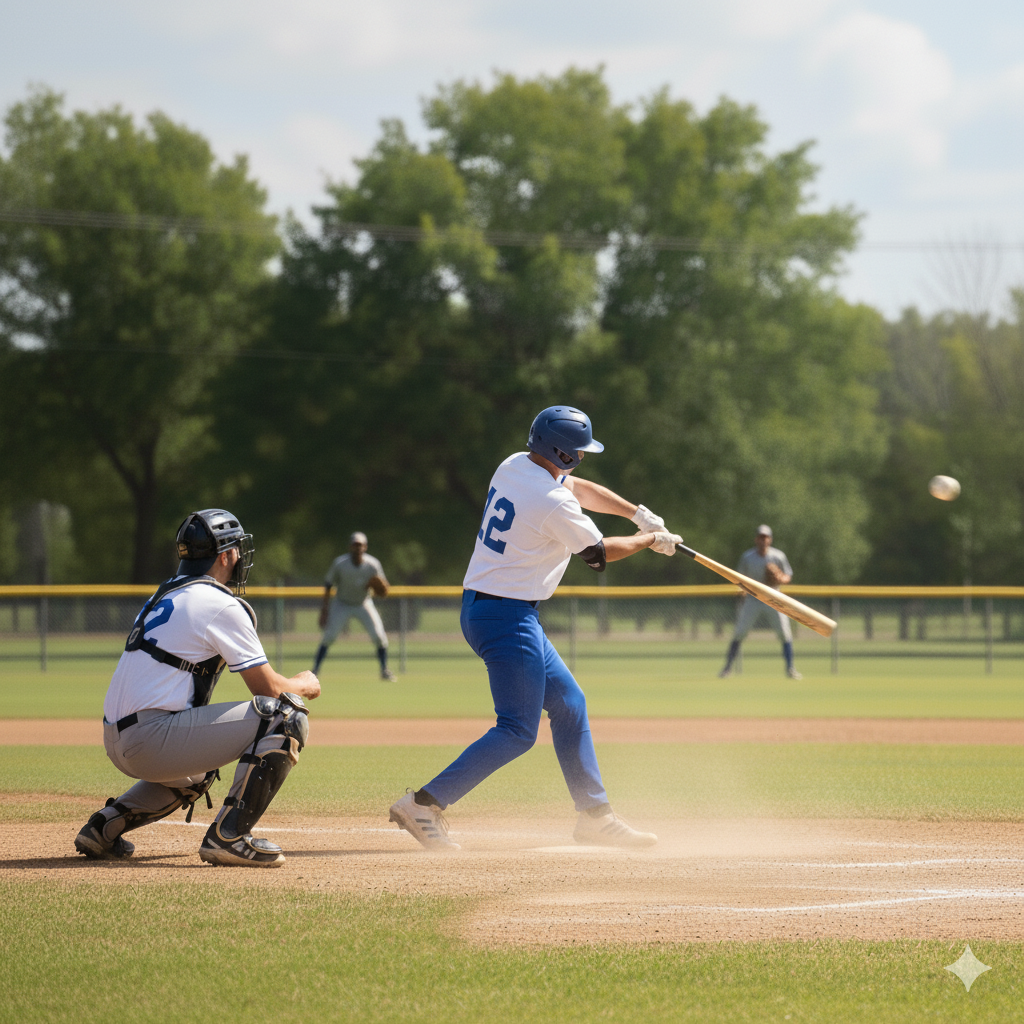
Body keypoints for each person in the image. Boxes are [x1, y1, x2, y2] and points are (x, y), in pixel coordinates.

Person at [388, 406, 682, 852]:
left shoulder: (514, 465)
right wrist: (649, 541)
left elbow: (579, 489)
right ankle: (424, 803)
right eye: (578, 452)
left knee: (568, 703)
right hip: (507, 616)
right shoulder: (551, 503)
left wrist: (637, 514)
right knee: (517, 730)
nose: (582, 459)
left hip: (490, 607)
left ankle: (594, 816)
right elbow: (598, 554)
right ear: (561, 451)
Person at [74, 509, 321, 868]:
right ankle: (230, 836)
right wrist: (304, 682)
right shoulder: (219, 603)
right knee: (286, 715)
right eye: (236, 549)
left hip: (118, 737)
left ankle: (105, 826)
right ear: (225, 556)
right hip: (152, 738)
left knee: (199, 772)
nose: (239, 557)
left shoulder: (166, 593)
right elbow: (268, 689)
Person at [718, 524, 802, 680]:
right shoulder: (748, 557)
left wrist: (780, 578)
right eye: (761, 537)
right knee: (739, 632)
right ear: (756, 539)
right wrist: (743, 590)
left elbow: (788, 576)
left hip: (774, 597)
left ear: (770, 539)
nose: (763, 540)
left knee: (785, 633)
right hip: (753, 598)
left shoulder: (778, 556)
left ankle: (791, 668)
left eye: (766, 537)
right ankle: (727, 668)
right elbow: (739, 578)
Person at [313, 532, 396, 681]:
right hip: (342, 603)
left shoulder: (372, 564)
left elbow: (384, 587)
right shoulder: (340, 563)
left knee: (379, 636)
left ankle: (384, 670)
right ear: (350, 546)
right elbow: (328, 584)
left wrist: (378, 589)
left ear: (365, 547)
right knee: (329, 636)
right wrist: (324, 610)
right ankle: (315, 670)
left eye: (360, 545)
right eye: (355, 544)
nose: (358, 548)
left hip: (363, 603)